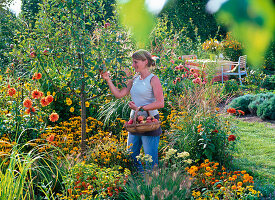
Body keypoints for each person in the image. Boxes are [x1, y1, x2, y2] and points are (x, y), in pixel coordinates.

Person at [101, 49, 164, 172]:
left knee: (150, 160)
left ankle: (151, 187)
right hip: (134, 121)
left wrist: (140, 108)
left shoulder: (153, 79)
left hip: (149, 121)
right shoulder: (134, 79)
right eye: (132, 62)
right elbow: (120, 94)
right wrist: (108, 79)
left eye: (136, 62)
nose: (133, 65)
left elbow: (160, 103)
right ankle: (139, 183)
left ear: (145, 61)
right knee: (131, 156)